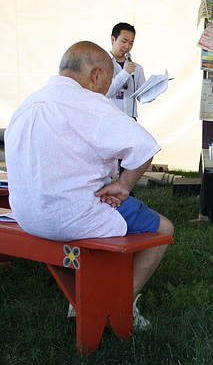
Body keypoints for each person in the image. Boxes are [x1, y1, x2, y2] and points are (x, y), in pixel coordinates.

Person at [4, 41, 174, 328]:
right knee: (163, 229)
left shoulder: (28, 102)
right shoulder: (88, 102)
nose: (106, 90)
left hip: (25, 213)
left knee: (81, 224)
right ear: (95, 75)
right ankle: (118, 302)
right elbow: (144, 147)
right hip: (71, 214)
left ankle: (80, 300)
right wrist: (123, 185)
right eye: (107, 82)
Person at [106, 22, 147, 119]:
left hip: (130, 118)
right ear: (113, 39)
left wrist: (154, 90)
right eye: (124, 41)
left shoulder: (136, 68)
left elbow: (142, 97)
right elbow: (106, 92)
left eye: (131, 43)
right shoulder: (103, 64)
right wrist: (125, 73)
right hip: (110, 118)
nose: (127, 46)